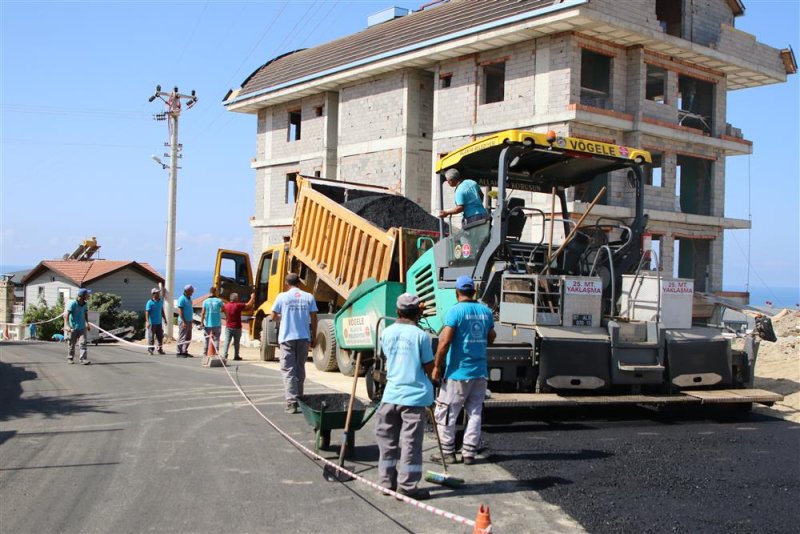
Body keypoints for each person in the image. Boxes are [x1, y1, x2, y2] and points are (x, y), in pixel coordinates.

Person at [375, 293, 434, 501]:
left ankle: (386, 482)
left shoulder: (387, 332)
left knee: (387, 441)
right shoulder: (421, 336)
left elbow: (386, 357)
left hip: (390, 395)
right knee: (410, 444)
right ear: (418, 312)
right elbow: (429, 366)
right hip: (414, 398)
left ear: (398, 311)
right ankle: (407, 486)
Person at [431, 275, 496, 465]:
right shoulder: (486, 312)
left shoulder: (455, 312)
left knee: (448, 411)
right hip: (480, 371)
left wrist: (436, 366)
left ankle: (448, 453)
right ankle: (469, 453)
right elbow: (492, 337)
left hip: (458, 373)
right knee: (475, 413)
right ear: (474, 291)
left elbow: (445, 342)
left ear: (456, 292)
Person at [270, 273, 317, 414]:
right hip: (303, 337)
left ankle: (292, 403)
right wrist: (313, 336)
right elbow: (314, 318)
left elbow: (273, 316)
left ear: (286, 283)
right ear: (300, 283)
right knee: (300, 368)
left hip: (287, 337)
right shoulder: (309, 297)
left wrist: (282, 319)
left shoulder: (282, 297)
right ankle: (300, 399)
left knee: (288, 370)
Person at [221, 289, 256, 361]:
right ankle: (236, 356)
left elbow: (223, 311)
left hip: (228, 326)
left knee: (227, 341)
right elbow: (249, 305)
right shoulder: (238, 305)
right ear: (236, 298)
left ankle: (224, 355)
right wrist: (252, 297)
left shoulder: (226, 305)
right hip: (237, 326)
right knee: (237, 342)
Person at [66, 288, 92, 364]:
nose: (88, 296)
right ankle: (70, 358)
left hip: (82, 327)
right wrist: (67, 326)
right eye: (87, 294)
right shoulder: (73, 304)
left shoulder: (85, 304)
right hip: (73, 327)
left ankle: (83, 359)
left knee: (83, 343)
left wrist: (87, 323)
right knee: (71, 344)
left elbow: (85, 313)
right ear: (82, 296)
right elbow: (66, 315)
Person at [201, 286, 224, 357]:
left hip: (208, 323)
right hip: (217, 323)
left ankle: (205, 353)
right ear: (215, 292)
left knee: (207, 338)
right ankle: (216, 353)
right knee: (216, 339)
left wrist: (201, 322)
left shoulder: (205, 301)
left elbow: (203, 313)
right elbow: (223, 309)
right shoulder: (219, 301)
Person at [145, 288, 167, 355]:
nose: (158, 294)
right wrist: (147, 321)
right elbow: (147, 312)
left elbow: (162, 311)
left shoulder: (160, 301)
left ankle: (160, 349)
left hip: (159, 323)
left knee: (160, 337)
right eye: (157, 293)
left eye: (158, 293)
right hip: (152, 323)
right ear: (153, 294)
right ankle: (150, 350)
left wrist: (165, 319)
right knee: (151, 337)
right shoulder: (149, 302)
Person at [176, 285, 195, 358]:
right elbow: (180, 310)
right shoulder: (182, 299)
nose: (192, 292)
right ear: (187, 291)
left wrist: (191, 319)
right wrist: (184, 321)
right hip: (183, 320)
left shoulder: (189, 298)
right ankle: (179, 352)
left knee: (188, 337)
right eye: (191, 291)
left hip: (189, 320)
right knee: (182, 337)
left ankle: (184, 351)